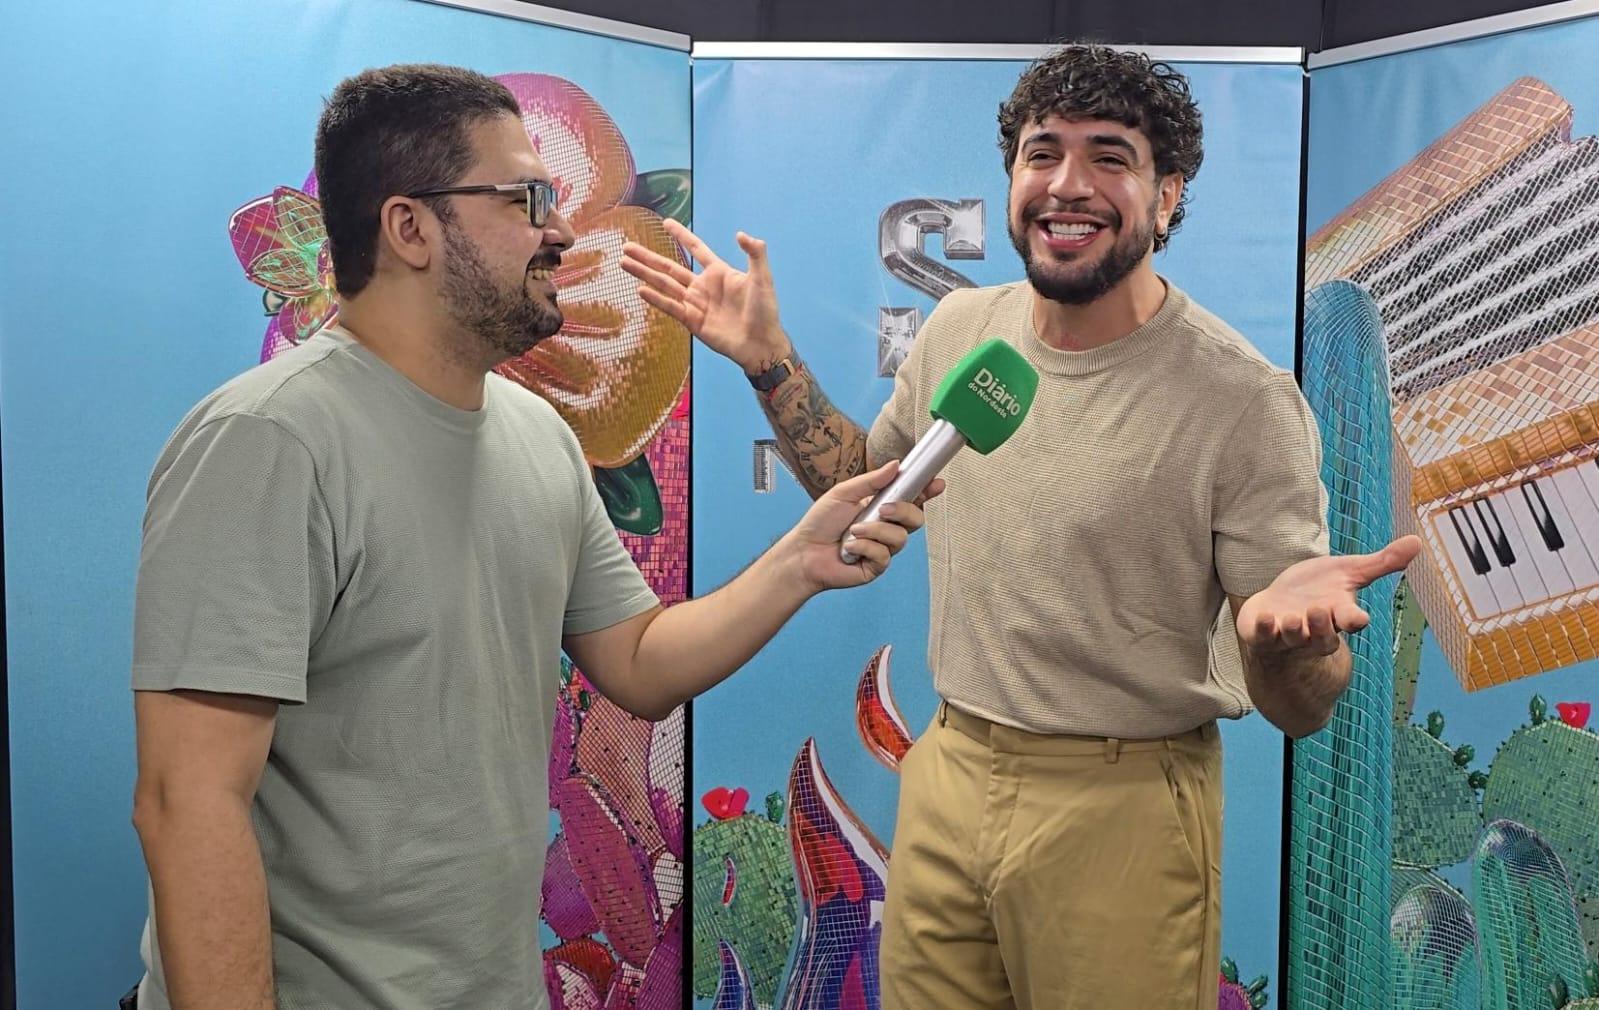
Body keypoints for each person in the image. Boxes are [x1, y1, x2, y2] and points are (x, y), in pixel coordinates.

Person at [621, 43, 1420, 1010]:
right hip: (950, 770)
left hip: (1124, 806)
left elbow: (1302, 707)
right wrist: (768, 360)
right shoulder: (962, 330)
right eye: (1043, 154)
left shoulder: (1242, 400)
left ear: (1167, 195)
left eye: (1109, 157)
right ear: (1011, 179)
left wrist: (1287, 644)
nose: (1066, 185)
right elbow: (862, 495)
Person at [128, 63, 934, 1010]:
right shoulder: (267, 441)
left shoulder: (537, 435)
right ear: (409, 228)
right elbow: (187, 803)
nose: (563, 230)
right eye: (527, 199)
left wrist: (798, 562)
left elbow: (637, 659)